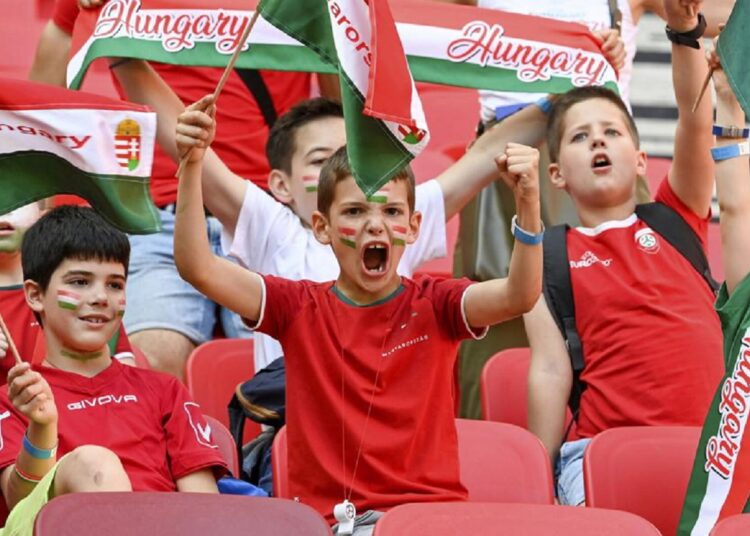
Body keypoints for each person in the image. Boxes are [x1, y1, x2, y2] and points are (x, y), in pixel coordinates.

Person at [172, 96, 542, 534]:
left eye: (390, 211)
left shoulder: (437, 303)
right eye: (354, 211)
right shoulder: (296, 306)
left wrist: (529, 205)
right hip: (337, 524)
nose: (375, 225)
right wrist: (191, 166)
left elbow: (519, 295)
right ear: (323, 227)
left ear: (413, 226)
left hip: (432, 520)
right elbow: (198, 266)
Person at [110, 59, 549, 373]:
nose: (341, 173)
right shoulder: (276, 232)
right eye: (322, 161)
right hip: (298, 434)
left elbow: (489, 152)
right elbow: (200, 238)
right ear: (280, 187)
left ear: (411, 225)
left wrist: (576, 93)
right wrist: (118, 47)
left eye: (350, 157)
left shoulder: (396, 215)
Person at [30, 0, 330, 380]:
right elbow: (53, 58)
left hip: (269, 217)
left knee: (296, 365)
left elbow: (338, 91)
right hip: (159, 216)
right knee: (151, 365)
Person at [524, 0, 724, 507]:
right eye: (580, 136)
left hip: (713, 454)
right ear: (556, 174)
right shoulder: (546, 255)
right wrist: (536, 482)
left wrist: (684, 34)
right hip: (604, 455)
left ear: (639, 159)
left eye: (612, 132)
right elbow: (549, 371)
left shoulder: (676, 218)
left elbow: (696, 123)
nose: (598, 141)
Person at [0, 205, 227, 535]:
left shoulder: (165, 390)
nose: (100, 297)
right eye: (80, 282)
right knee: (94, 464)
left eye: (115, 285)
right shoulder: (15, 398)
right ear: (35, 295)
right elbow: (17, 499)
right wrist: (42, 426)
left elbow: (205, 509)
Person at [0, 202, 135, 377]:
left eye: (17, 200)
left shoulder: (93, 299)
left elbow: (128, 382)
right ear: (34, 294)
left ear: (43, 216)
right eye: (80, 282)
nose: (4, 210)